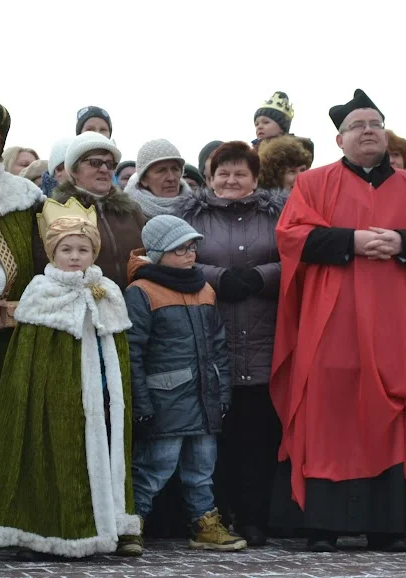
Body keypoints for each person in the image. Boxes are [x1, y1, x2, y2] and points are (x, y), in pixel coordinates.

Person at [270, 89, 406, 553]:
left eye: (375, 123)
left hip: (397, 326)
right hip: (331, 327)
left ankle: (388, 524)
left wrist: (401, 242)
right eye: (358, 125)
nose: (368, 131)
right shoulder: (312, 185)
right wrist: (350, 241)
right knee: (326, 411)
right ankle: (322, 524)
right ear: (339, 139)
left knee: (395, 411)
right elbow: (291, 237)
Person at [0, 196, 140, 559]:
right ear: (52, 252)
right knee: (54, 454)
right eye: (67, 248)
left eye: (83, 248)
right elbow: (29, 357)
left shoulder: (107, 291)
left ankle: (108, 526)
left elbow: (115, 349)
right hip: (55, 395)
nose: (76, 255)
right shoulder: (41, 291)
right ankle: (46, 530)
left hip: (100, 392)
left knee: (100, 452)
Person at [181, 142, 286, 547]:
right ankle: (216, 515)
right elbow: (176, 258)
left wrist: (264, 275)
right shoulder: (192, 216)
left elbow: (295, 256)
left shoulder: (276, 216)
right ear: (209, 178)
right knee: (214, 441)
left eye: (240, 173)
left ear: (255, 179)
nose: (231, 180)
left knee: (258, 436)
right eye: (223, 173)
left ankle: (256, 517)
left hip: (265, 340)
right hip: (212, 341)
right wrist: (218, 277)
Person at [125, 215, 246, 552]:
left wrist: (222, 393)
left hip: (204, 399)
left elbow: (219, 346)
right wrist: (141, 402)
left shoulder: (204, 288)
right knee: (154, 467)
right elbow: (132, 351)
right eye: (181, 248)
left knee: (202, 468)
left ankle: (204, 526)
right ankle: (130, 524)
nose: (190, 253)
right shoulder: (141, 291)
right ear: (159, 251)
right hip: (166, 402)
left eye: (192, 247)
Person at [51, 132, 146, 290]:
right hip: (83, 306)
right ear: (73, 170)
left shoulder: (131, 210)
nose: (104, 169)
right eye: (95, 162)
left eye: (110, 164)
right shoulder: (57, 210)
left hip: (134, 305)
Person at [125, 139, 193, 218]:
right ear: (144, 180)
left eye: (175, 169)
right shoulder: (126, 217)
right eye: (161, 171)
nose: (171, 178)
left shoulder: (198, 212)